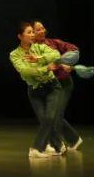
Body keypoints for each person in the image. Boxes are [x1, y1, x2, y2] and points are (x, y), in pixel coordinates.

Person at [9, 21, 68, 158]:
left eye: (32, 32)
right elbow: (25, 72)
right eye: (29, 32)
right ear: (20, 36)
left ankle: (36, 148)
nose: (32, 34)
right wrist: (46, 68)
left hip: (52, 86)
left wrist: (39, 59)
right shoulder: (14, 54)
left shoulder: (39, 47)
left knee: (49, 118)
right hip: (34, 90)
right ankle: (59, 146)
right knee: (44, 120)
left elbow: (56, 55)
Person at [32, 20, 84, 152]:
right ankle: (72, 139)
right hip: (46, 86)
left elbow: (73, 49)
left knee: (55, 115)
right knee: (49, 116)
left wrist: (64, 60)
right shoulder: (30, 50)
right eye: (38, 29)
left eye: (43, 28)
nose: (42, 31)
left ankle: (57, 145)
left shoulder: (54, 43)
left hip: (63, 83)